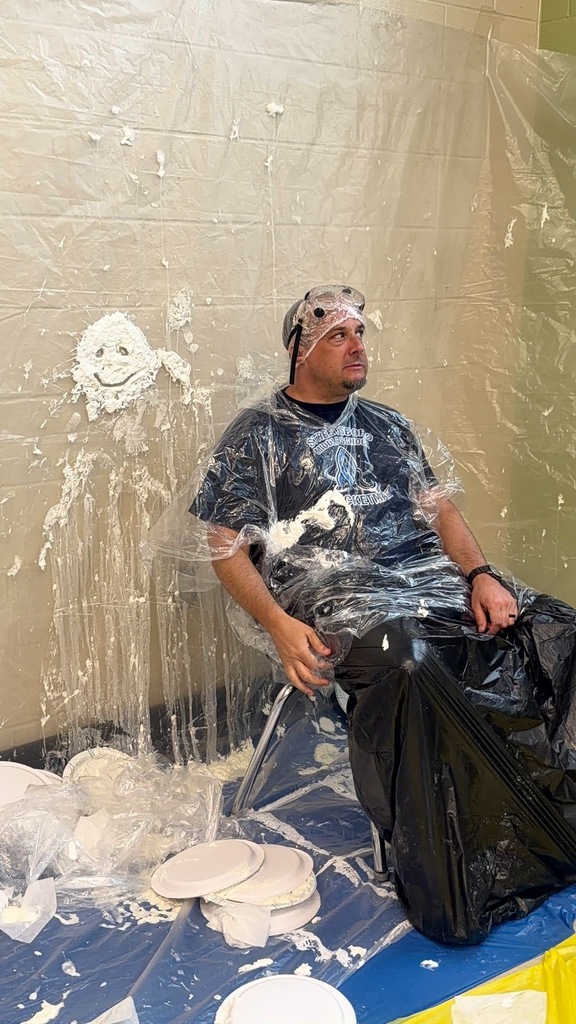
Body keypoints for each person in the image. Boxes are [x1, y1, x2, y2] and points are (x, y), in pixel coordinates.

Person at [188, 285, 576, 945]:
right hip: (327, 592)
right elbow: (225, 546)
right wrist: (280, 627)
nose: (357, 346)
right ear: (298, 350)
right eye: (338, 335)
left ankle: (552, 825)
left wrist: (480, 576)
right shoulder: (257, 434)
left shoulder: (388, 426)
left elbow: (440, 510)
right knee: (414, 665)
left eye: (360, 333)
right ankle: (462, 874)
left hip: (421, 578)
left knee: (554, 627)